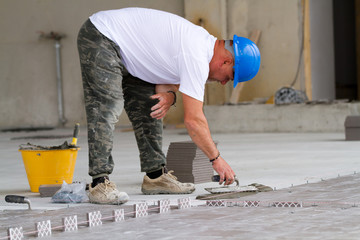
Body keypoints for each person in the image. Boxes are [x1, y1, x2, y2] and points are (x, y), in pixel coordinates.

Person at [77, 7, 260, 205]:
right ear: (226, 61)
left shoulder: (202, 50)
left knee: (152, 106)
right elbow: (194, 120)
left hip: (130, 54)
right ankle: (99, 182)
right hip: (103, 35)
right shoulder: (198, 53)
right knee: (107, 105)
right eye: (229, 77)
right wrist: (216, 160)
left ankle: (155, 177)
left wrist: (170, 95)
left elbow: (168, 73)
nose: (224, 83)